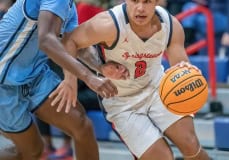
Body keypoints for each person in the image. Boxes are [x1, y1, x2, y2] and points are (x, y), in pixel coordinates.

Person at [55, 0, 210, 159]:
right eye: (135, 1)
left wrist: (189, 76)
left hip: (158, 90)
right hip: (122, 102)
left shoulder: (171, 25)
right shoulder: (109, 24)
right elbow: (70, 41)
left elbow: (180, 68)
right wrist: (79, 76)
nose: (140, 8)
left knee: (191, 145)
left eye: (147, 1)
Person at [0, 0, 118, 159]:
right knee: (31, 151)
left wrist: (100, 68)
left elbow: (74, 44)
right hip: (3, 80)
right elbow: (46, 40)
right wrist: (88, 77)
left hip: (35, 75)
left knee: (82, 126)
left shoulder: (69, 6)